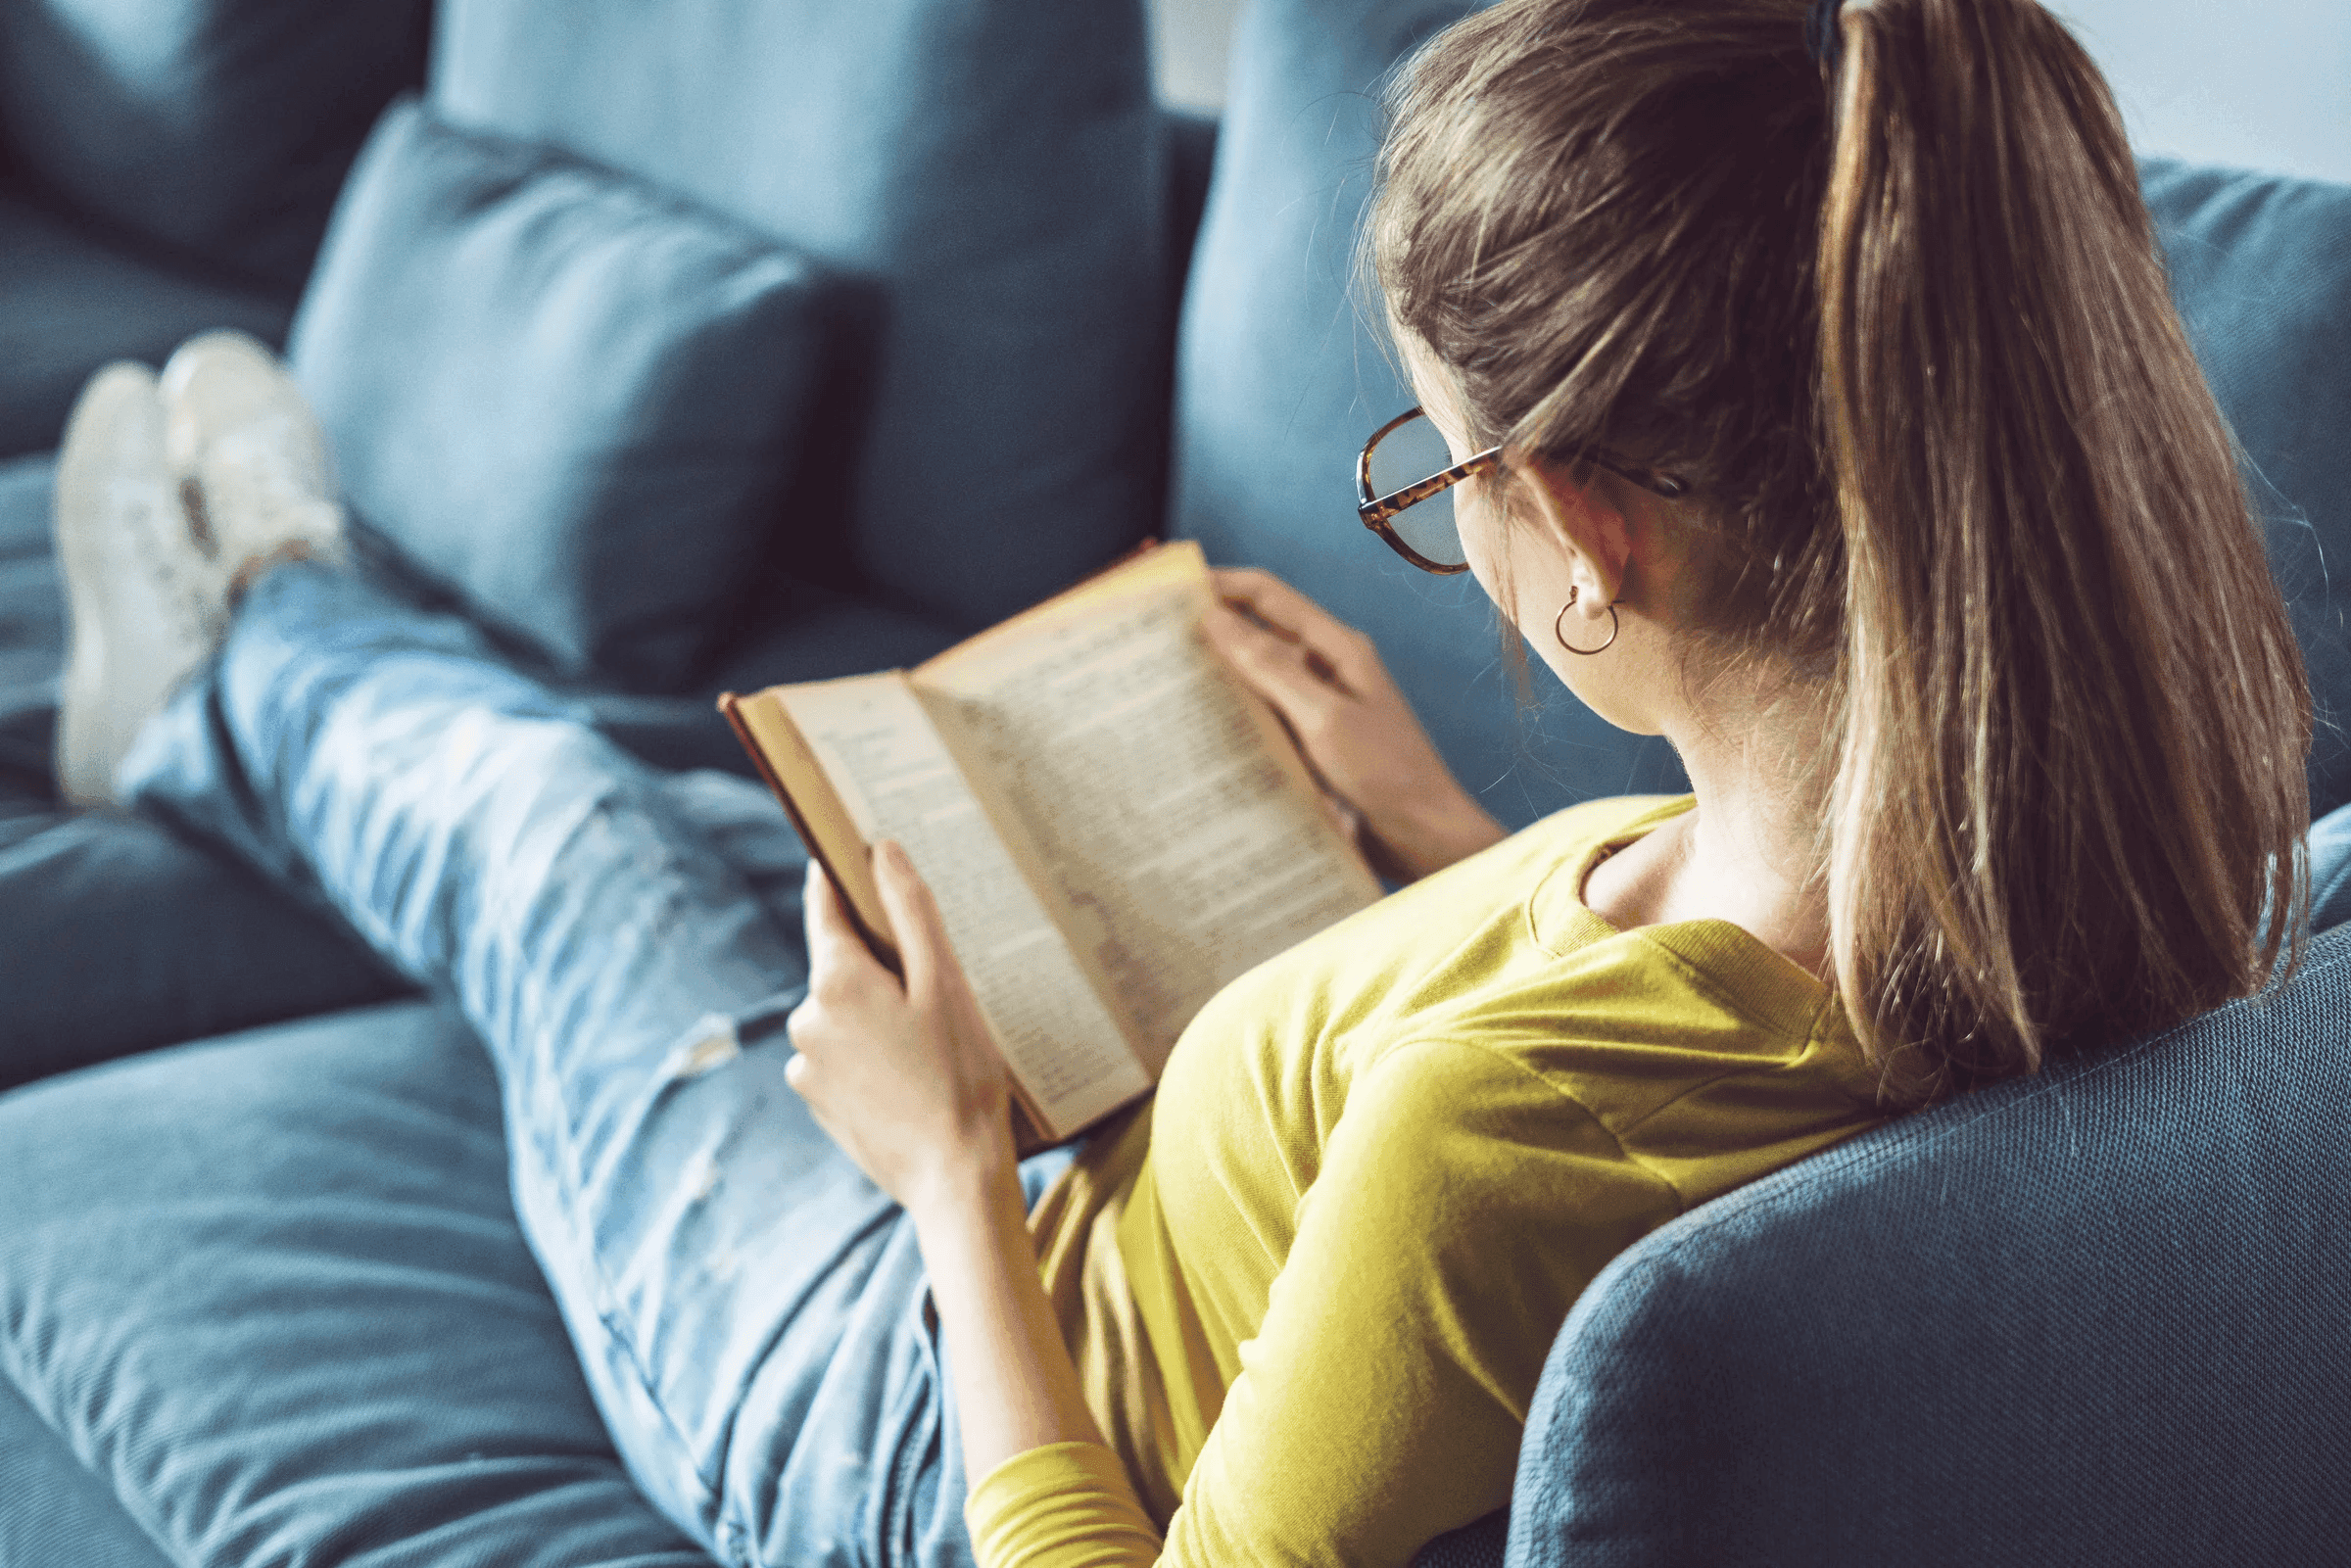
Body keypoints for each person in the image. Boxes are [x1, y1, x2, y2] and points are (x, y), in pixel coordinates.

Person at [46, 0, 2309, 1563]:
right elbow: (1675, 1054)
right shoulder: (2139, 849)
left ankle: (229, 650)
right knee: (736, 818)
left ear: (1596, 532)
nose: (1439, 507)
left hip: (913, 1404)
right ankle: (278, 646)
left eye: (1444, 474)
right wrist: (1443, 839)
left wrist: (942, 1173)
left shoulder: (1481, 1141)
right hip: (1098, 1243)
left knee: (562, 838)